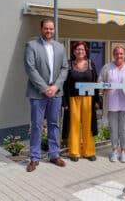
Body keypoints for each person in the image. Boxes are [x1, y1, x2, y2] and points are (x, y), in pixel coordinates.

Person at [24, 18, 68, 172]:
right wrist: (44, 88)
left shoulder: (60, 47)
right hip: (38, 93)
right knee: (36, 125)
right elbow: (30, 69)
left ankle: (54, 154)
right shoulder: (32, 46)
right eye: (46, 28)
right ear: (41, 29)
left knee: (54, 124)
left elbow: (64, 68)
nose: (49, 31)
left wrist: (55, 86)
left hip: (56, 93)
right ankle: (34, 158)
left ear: (54, 30)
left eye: (51, 29)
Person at [62, 41, 99, 162]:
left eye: (82, 49)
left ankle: (89, 152)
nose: (80, 51)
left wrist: (96, 100)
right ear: (73, 51)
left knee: (88, 126)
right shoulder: (68, 65)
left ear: (86, 51)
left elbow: (95, 82)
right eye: (77, 49)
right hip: (73, 99)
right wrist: (65, 103)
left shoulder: (91, 64)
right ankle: (74, 152)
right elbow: (65, 85)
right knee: (74, 125)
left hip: (88, 98)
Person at [98, 45, 125, 163]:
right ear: (113, 55)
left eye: (121, 54)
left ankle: (123, 151)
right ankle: (114, 151)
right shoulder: (107, 67)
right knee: (113, 129)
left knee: (124, 129)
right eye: (117, 54)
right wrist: (105, 88)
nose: (119, 56)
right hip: (111, 104)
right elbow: (99, 82)